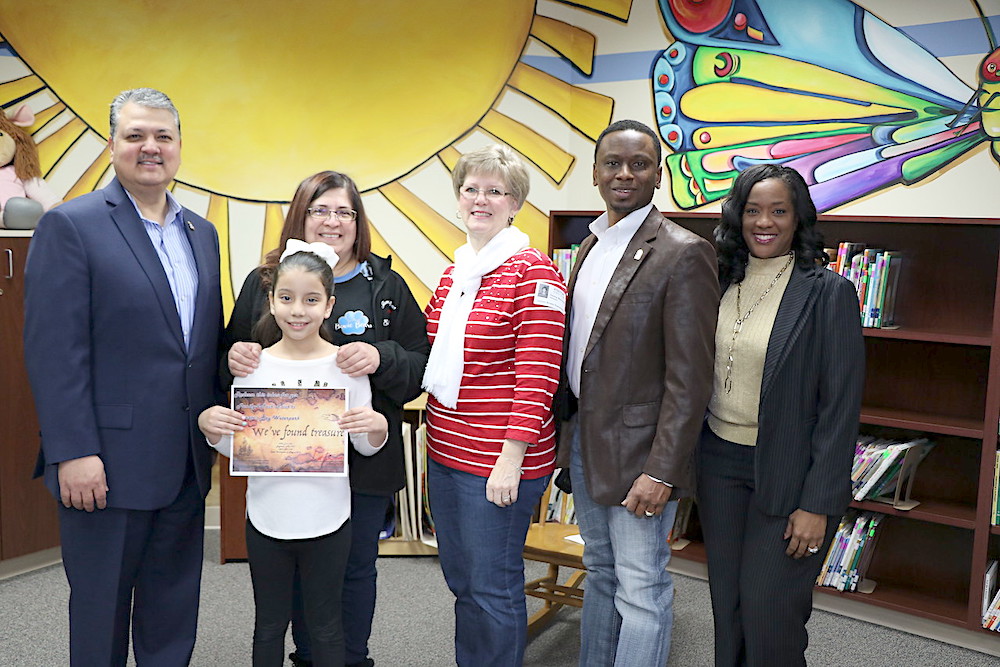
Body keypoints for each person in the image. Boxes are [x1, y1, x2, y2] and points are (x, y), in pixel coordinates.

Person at [23, 87, 224, 665]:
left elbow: (196, 347)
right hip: (104, 466)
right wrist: (74, 451)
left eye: (163, 136)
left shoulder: (201, 234)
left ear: (180, 145)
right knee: (100, 617)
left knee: (172, 616)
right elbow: (54, 352)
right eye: (135, 135)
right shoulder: (71, 225)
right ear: (112, 145)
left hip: (184, 464)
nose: (151, 147)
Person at [226, 171, 429, 667]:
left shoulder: (386, 284)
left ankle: (349, 658)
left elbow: (423, 365)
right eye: (320, 209)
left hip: (364, 458)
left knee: (355, 568)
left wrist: (381, 358)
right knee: (291, 570)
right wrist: (238, 355)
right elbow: (228, 358)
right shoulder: (264, 281)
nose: (332, 221)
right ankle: (307, 656)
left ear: (358, 222)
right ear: (301, 215)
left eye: (344, 212)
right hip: (286, 462)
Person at [555, 119, 719, 666]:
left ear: (659, 173)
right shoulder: (589, 245)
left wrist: (662, 471)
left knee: (641, 588)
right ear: (597, 173)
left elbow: (690, 378)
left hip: (641, 455)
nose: (624, 174)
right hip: (584, 440)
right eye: (613, 163)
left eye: (639, 164)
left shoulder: (683, 252)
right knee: (599, 573)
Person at [697, 163, 865, 666]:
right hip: (718, 465)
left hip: (790, 477)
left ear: (797, 219)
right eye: (752, 210)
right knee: (728, 609)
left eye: (778, 211)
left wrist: (817, 503)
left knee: (771, 613)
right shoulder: (719, 279)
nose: (763, 222)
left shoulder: (827, 292)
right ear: (737, 217)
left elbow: (841, 408)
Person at [201, 242, 389, 666]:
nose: (297, 310)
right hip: (267, 519)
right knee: (268, 626)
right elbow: (240, 446)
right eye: (286, 299)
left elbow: (363, 442)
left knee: (326, 625)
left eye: (311, 300)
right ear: (270, 302)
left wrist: (377, 428)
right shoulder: (254, 368)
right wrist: (213, 429)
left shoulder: (346, 368)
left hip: (329, 520)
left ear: (329, 306)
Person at [422, 144, 566, 666]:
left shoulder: (536, 274)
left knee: (493, 585)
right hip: (446, 451)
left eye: (495, 191)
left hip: (497, 461)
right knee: (463, 581)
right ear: (459, 199)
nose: (480, 199)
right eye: (471, 189)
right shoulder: (455, 274)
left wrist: (512, 457)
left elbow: (538, 374)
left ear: (515, 204)